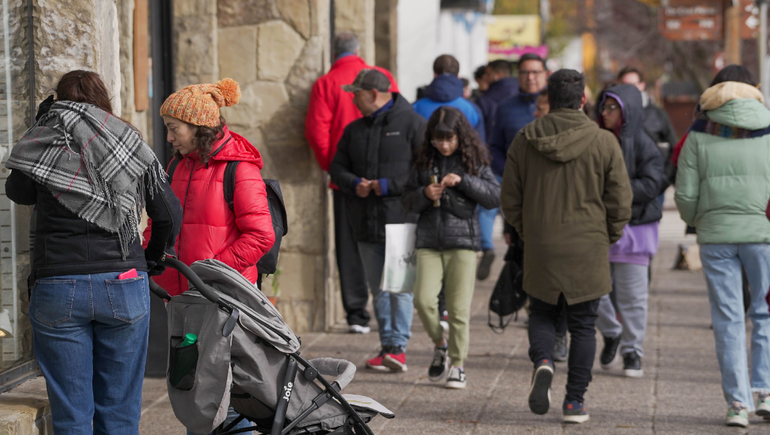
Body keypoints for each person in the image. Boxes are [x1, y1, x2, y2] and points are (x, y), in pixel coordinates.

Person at [5, 70, 182, 434]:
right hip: (124, 281)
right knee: (119, 414)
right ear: (104, 100)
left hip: (58, 285)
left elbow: (18, 191)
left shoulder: (45, 138)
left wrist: (39, 124)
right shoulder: (128, 141)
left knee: (72, 418)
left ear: (58, 102)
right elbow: (168, 213)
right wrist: (152, 257)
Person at [501, 69, 632, 424]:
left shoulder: (525, 138)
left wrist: (529, 230)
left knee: (542, 312)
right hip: (588, 243)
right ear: (583, 100)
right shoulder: (604, 141)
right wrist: (609, 233)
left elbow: (509, 197)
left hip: (541, 242)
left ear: (549, 98)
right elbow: (620, 199)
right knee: (584, 325)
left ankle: (543, 361)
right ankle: (575, 402)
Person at [145, 78, 275, 435]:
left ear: (198, 127)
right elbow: (165, 223)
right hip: (185, 300)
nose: (169, 138)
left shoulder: (239, 168)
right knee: (196, 391)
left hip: (223, 299)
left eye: (174, 129)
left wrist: (211, 272)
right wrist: (146, 255)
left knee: (231, 390)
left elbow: (261, 235)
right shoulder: (176, 167)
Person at [675, 65, 770, 428]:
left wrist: (702, 219)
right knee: (764, 313)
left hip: (716, 235)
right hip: (764, 234)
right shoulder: (769, 126)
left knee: (728, 319)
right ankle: (765, 392)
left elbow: (684, 193)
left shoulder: (700, 131)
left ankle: (737, 404)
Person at [329, 69, 426, 372]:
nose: (352, 98)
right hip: (364, 222)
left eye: (355, 93)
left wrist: (386, 186)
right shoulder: (354, 129)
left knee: (399, 286)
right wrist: (353, 183)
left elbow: (423, 172)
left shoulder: (412, 124)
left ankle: (398, 347)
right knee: (378, 288)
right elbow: (336, 168)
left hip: (401, 219)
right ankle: (388, 346)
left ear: (372, 93)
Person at [305, 32, 399, 335]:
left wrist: (334, 169)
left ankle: (357, 314)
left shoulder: (325, 83)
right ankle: (397, 311)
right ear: (358, 50)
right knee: (392, 240)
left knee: (349, 246)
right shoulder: (381, 77)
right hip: (387, 178)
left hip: (346, 180)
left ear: (334, 53)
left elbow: (317, 131)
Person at [402, 107, 500, 389]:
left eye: (450, 139)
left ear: (461, 137)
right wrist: (424, 194)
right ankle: (440, 343)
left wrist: (465, 181)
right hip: (429, 241)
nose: (444, 145)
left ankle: (458, 365)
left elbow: (495, 196)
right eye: (438, 139)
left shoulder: (474, 162)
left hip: (463, 243)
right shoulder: (424, 162)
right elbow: (406, 199)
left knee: (458, 310)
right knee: (422, 300)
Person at [595, 84, 667, 379]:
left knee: (633, 297)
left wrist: (615, 191)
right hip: (596, 230)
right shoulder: (595, 140)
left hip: (634, 230)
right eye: (604, 106)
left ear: (628, 111)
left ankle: (632, 351)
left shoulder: (644, 143)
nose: (605, 112)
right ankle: (612, 332)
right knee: (591, 293)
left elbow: (653, 184)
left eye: (612, 107)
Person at [618, 66, 678, 201]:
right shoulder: (611, 115)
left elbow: (674, 148)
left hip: (654, 189)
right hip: (620, 189)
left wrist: (663, 180)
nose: (629, 89)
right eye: (624, 85)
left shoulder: (658, 114)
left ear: (642, 85)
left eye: (633, 85)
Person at [489, 54, 549, 178]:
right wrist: (508, 173)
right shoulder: (505, 107)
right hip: (515, 183)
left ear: (545, 74)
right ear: (518, 75)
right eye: (525, 72)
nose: (530, 77)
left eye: (535, 72)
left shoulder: (556, 104)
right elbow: (495, 147)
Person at [413, 54, 486, 142]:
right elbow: (479, 145)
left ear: (435, 75)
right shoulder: (472, 109)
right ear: (458, 76)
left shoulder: (415, 107)